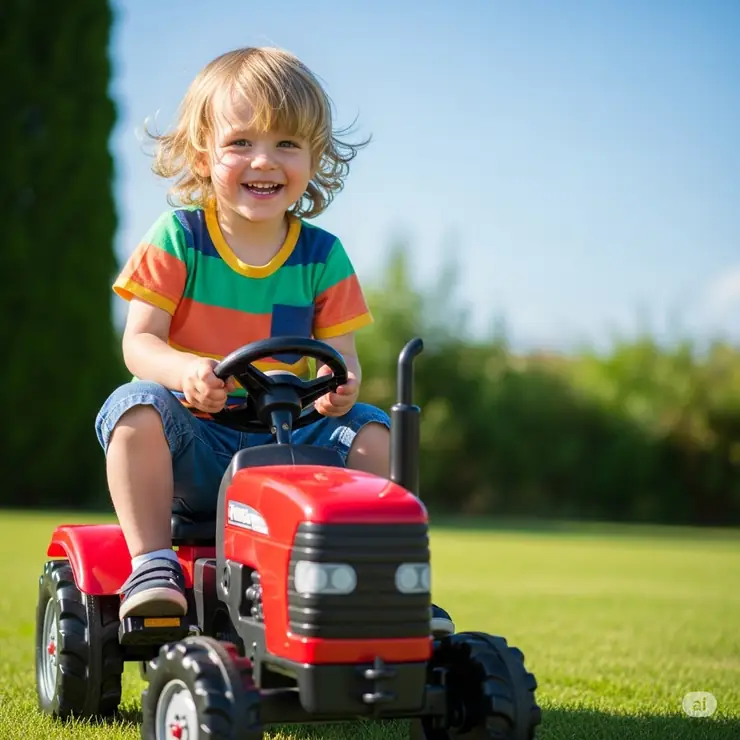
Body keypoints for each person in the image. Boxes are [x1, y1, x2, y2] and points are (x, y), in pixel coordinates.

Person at [95, 46, 454, 637]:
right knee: (132, 407)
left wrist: (337, 394)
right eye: (241, 143)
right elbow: (140, 344)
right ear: (203, 151)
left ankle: (380, 574)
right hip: (195, 437)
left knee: (371, 430)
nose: (264, 160)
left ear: (315, 158)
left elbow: (344, 368)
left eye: (287, 144)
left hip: (292, 439)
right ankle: (153, 565)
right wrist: (185, 372)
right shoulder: (179, 238)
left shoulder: (323, 256)